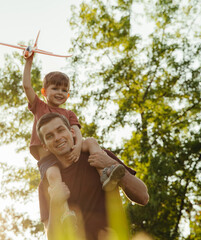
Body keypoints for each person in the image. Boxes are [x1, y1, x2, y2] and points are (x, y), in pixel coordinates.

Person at [23, 55, 126, 222]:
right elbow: (27, 86)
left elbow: (76, 132)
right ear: (44, 92)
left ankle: (105, 174)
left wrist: (78, 147)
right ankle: (65, 213)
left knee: (91, 141)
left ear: (68, 95)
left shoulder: (68, 114)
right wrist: (28, 62)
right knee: (54, 176)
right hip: (49, 158)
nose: (60, 93)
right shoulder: (40, 106)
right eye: (55, 88)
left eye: (64, 90)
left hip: (69, 148)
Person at [36, 112, 149, 240]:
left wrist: (111, 163)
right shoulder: (47, 183)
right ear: (45, 146)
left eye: (60, 130)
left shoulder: (100, 157)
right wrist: (54, 204)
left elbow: (143, 197)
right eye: (50, 136)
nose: (57, 137)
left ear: (72, 132)